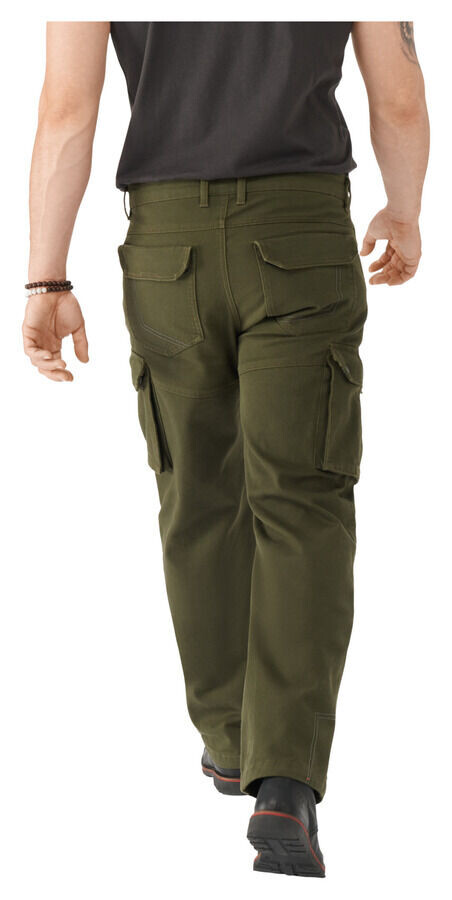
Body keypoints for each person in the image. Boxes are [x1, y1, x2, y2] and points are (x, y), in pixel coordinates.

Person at [22, 22, 429, 878]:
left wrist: (47, 277)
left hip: (166, 245)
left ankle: (233, 739)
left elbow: (67, 110)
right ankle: (286, 781)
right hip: (301, 235)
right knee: (302, 500)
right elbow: (396, 96)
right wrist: (404, 209)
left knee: (196, 495)